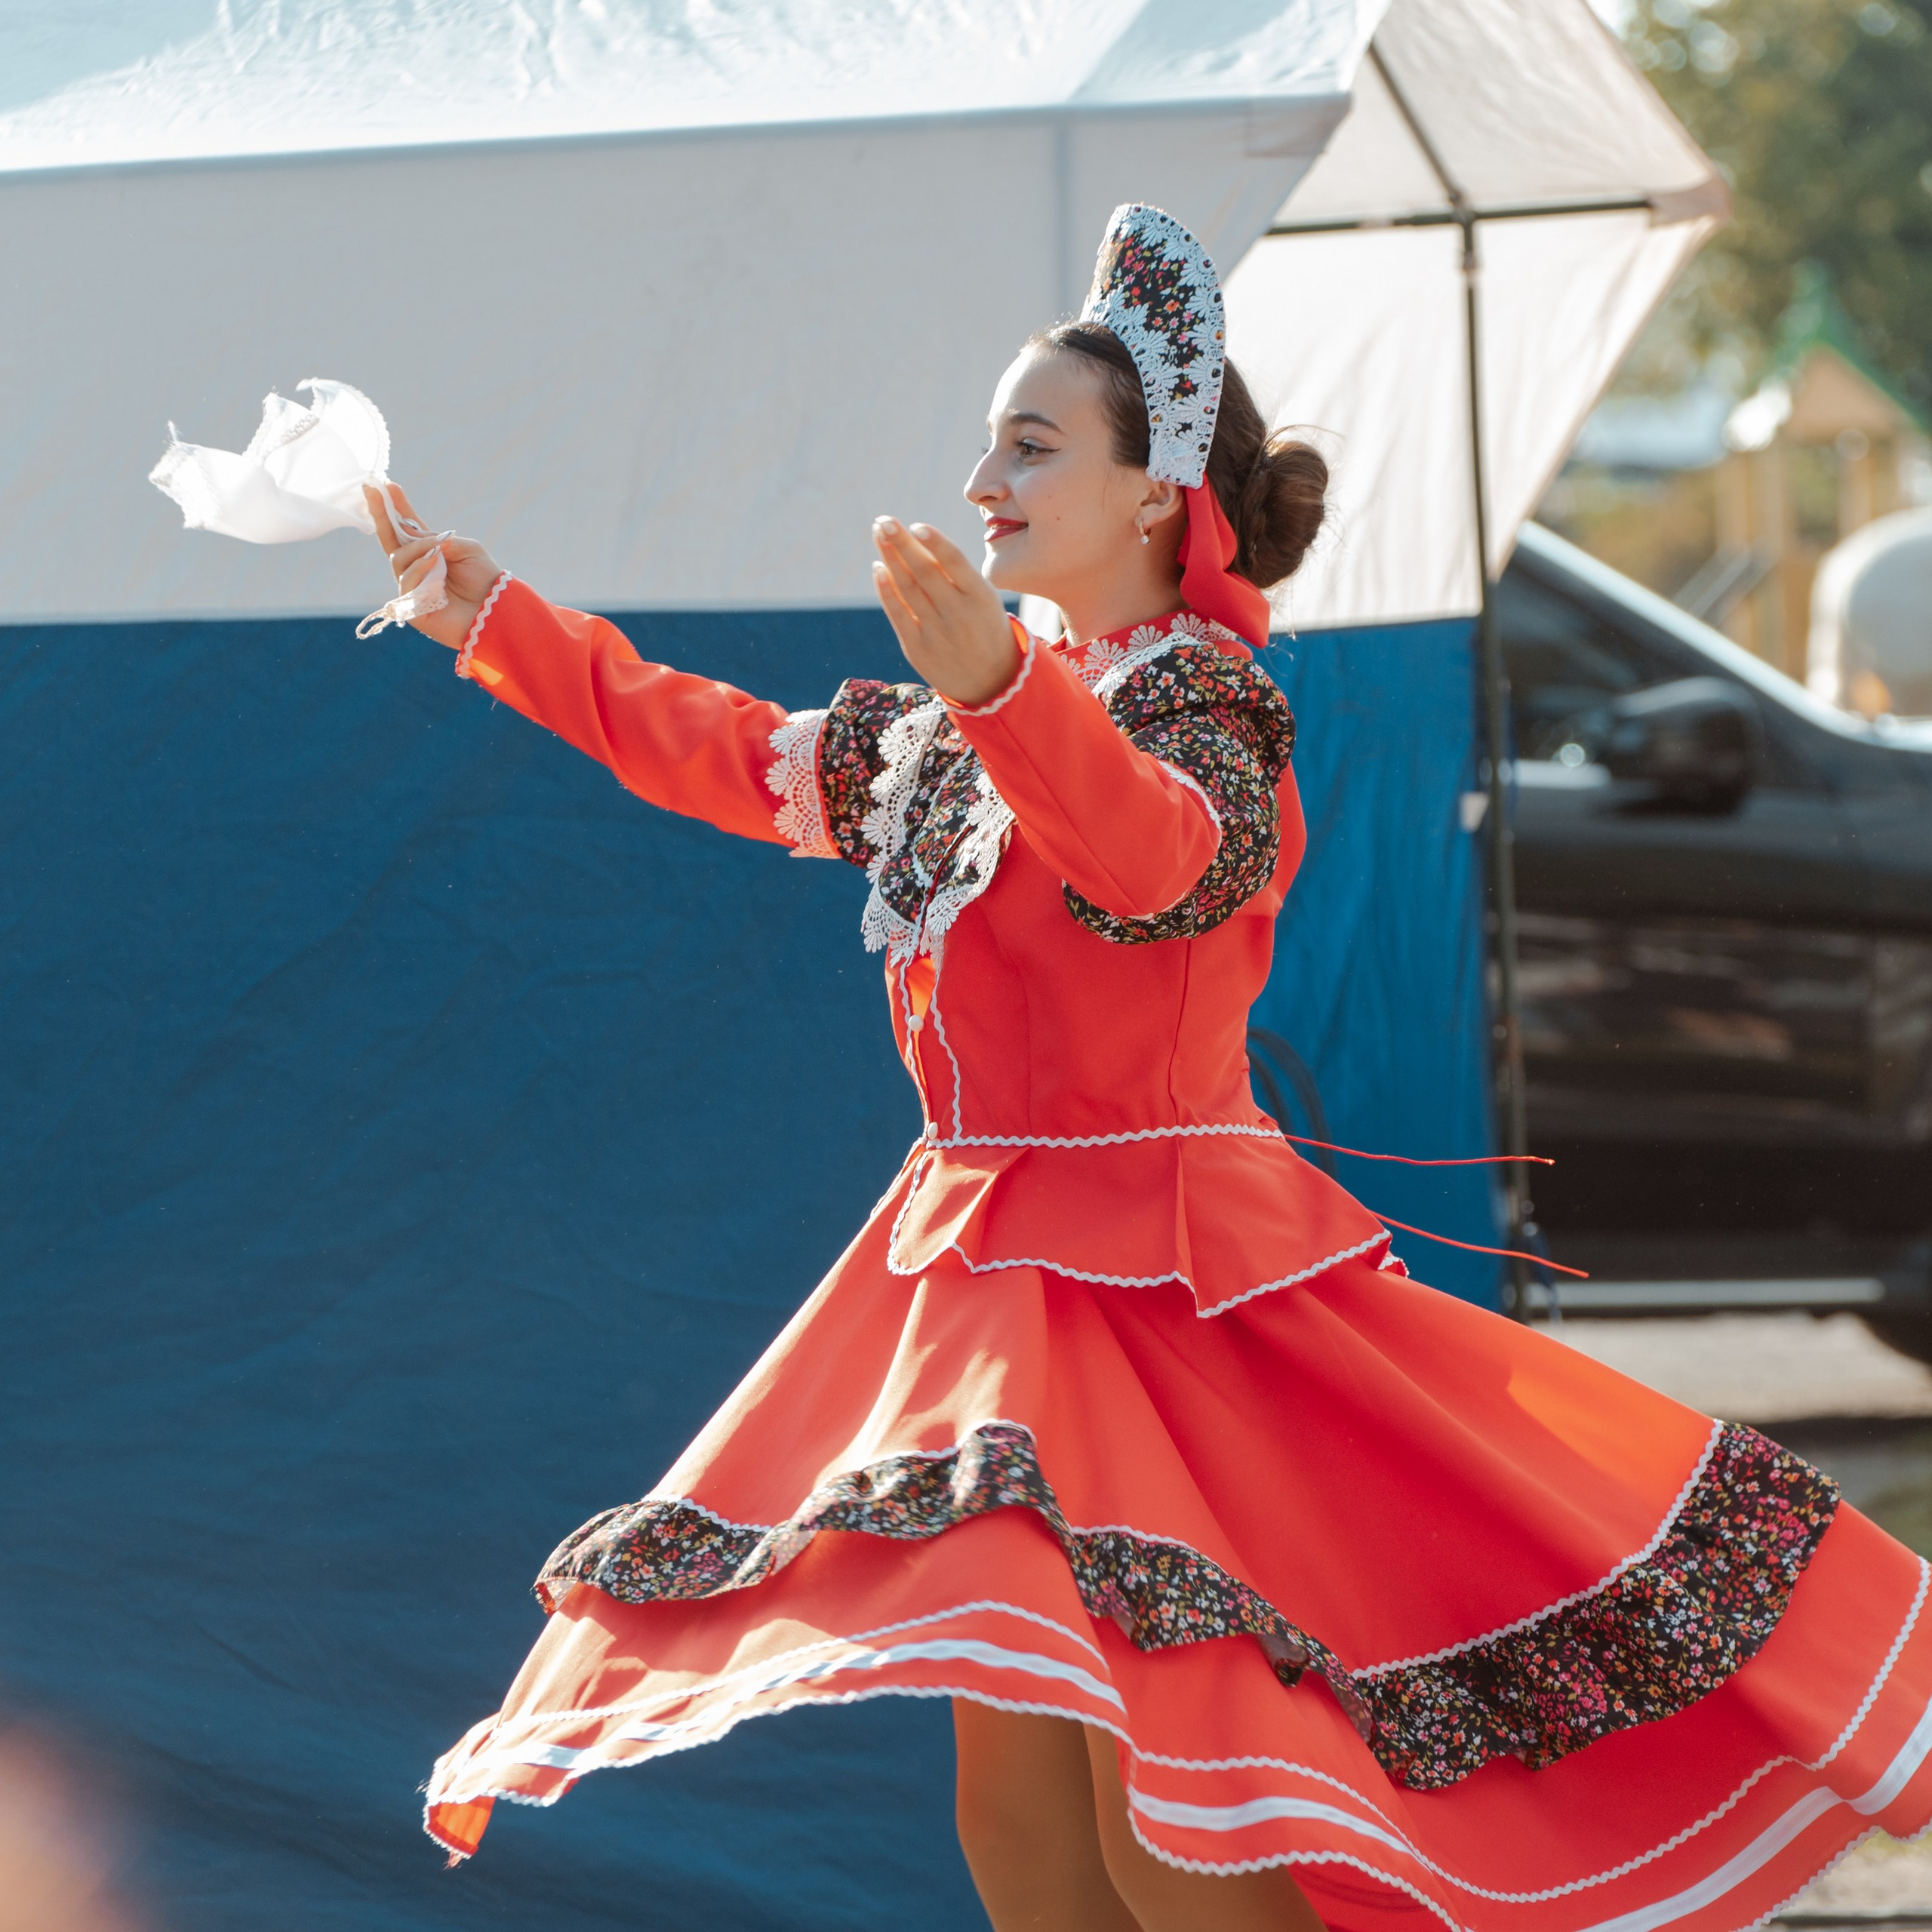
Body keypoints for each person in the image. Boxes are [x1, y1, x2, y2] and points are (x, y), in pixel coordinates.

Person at [373, 208, 1930, 1930]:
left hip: (1168, 1295)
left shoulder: (1207, 706)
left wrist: (994, 692)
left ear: (1149, 495)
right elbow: (731, 752)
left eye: (1028, 442)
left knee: (1172, 1838)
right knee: (1022, 1834)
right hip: (986, 1293)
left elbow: (1157, 864)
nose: (980, 475)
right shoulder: (966, 725)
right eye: (986, 439)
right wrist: (494, 616)